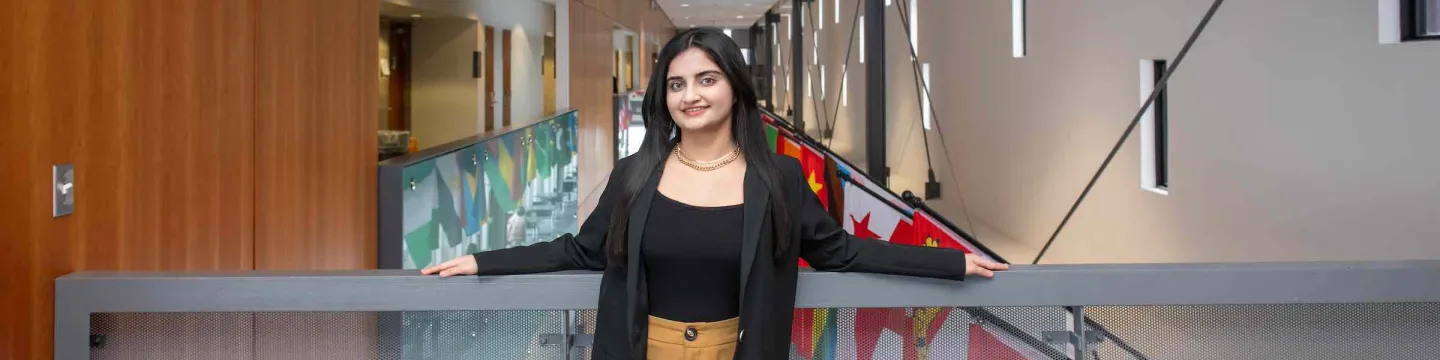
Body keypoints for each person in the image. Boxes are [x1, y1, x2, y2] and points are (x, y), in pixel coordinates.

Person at [422, 28, 1008, 360]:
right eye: (676, 84)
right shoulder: (635, 174)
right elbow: (580, 251)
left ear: (735, 89)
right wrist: (481, 261)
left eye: (707, 79)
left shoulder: (778, 179)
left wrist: (952, 261)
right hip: (644, 350)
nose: (690, 96)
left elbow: (842, 252)